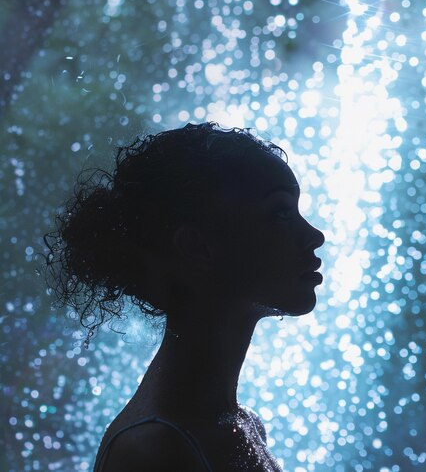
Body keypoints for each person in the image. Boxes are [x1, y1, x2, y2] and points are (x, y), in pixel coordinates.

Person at [42, 122, 325, 471]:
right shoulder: (155, 451)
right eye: (280, 212)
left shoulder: (239, 424)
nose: (315, 235)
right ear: (198, 247)